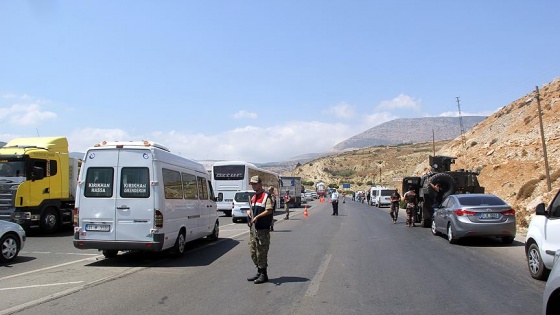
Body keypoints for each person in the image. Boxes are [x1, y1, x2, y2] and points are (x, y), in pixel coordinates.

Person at [246, 175, 274, 284]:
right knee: (253, 251)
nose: (253, 186)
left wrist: (258, 217)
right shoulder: (253, 197)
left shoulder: (266, 196)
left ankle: (264, 274)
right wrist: (249, 213)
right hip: (254, 229)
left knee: (261, 252)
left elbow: (269, 210)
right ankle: (258, 271)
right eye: (252, 184)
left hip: (262, 229)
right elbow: (252, 210)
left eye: (255, 184)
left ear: (260, 184)